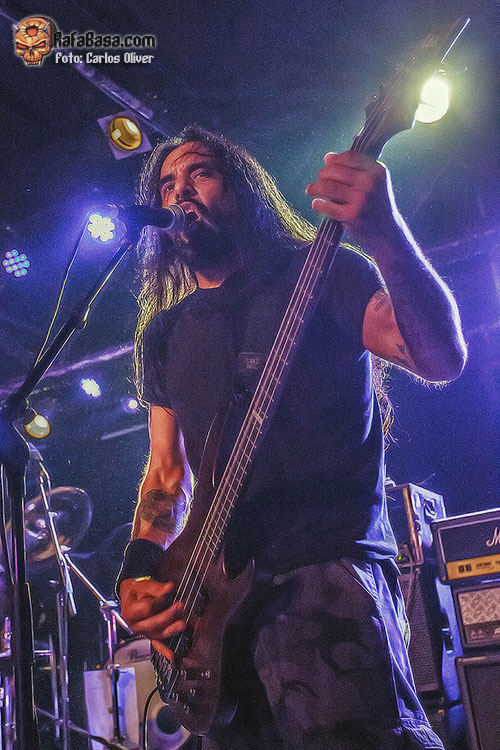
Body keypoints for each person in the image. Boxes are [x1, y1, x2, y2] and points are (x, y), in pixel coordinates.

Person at [118, 126, 466, 749]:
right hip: (211, 611)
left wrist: (384, 233)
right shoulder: (164, 333)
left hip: (322, 573)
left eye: (200, 173)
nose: (180, 192)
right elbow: (166, 473)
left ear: (244, 190)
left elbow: (439, 357)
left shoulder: (322, 272)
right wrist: (139, 571)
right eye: (167, 184)